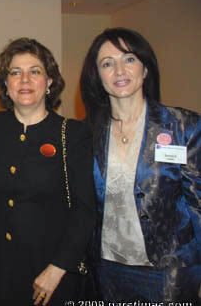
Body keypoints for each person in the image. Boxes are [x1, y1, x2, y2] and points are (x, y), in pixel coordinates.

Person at [80, 27, 201, 302]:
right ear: (98, 77)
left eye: (129, 59)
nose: (119, 71)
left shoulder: (184, 126)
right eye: (107, 64)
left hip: (171, 272)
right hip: (107, 269)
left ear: (145, 68)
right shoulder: (87, 135)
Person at [0, 37, 96, 305]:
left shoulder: (73, 134)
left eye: (35, 72)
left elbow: (85, 211)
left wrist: (57, 269)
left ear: (50, 82)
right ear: (5, 85)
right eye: (15, 72)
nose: (24, 80)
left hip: (51, 275)